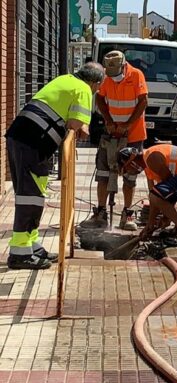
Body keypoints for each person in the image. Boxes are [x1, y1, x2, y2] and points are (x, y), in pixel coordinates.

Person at [5, 62, 105, 270]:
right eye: (99, 86)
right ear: (95, 83)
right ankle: (19, 253)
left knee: (35, 194)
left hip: (26, 139)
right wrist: (84, 128)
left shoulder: (65, 79)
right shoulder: (83, 89)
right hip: (32, 141)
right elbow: (76, 126)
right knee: (29, 197)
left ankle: (30, 245)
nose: (98, 90)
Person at [81, 50, 148, 231]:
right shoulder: (106, 77)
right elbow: (101, 99)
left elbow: (143, 101)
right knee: (103, 173)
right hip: (110, 134)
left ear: (124, 66)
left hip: (133, 135)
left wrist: (127, 124)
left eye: (117, 74)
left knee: (129, 176)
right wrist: (109, 121)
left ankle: (127, 214)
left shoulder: (136, 75)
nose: (114, 78)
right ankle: (101, 212)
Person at [117, 144, 177, 242]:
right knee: (156, 194)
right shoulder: (147, 166)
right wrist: (150, 223)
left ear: (132, 162)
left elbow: (167, 195)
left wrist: (166, 216)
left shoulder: (152, 158)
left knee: (157, 195)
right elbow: (156, 198)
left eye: (127, 169)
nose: (129, 172)